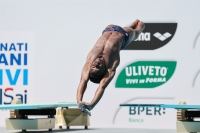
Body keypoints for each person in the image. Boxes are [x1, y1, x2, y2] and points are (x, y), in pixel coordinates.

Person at [76, 19, 145, 112]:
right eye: (99, 67)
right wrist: (92, 105)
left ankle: (133, 23)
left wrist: (79, 101)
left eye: (94, 66)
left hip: (109, 29)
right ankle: (138, 22)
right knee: (138, 29)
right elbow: (102, 87)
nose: (96, 64)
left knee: (131, 26)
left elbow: (83, 81)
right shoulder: (112, 64)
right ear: (104, 70)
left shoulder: (89, 61)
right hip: (125, 35)